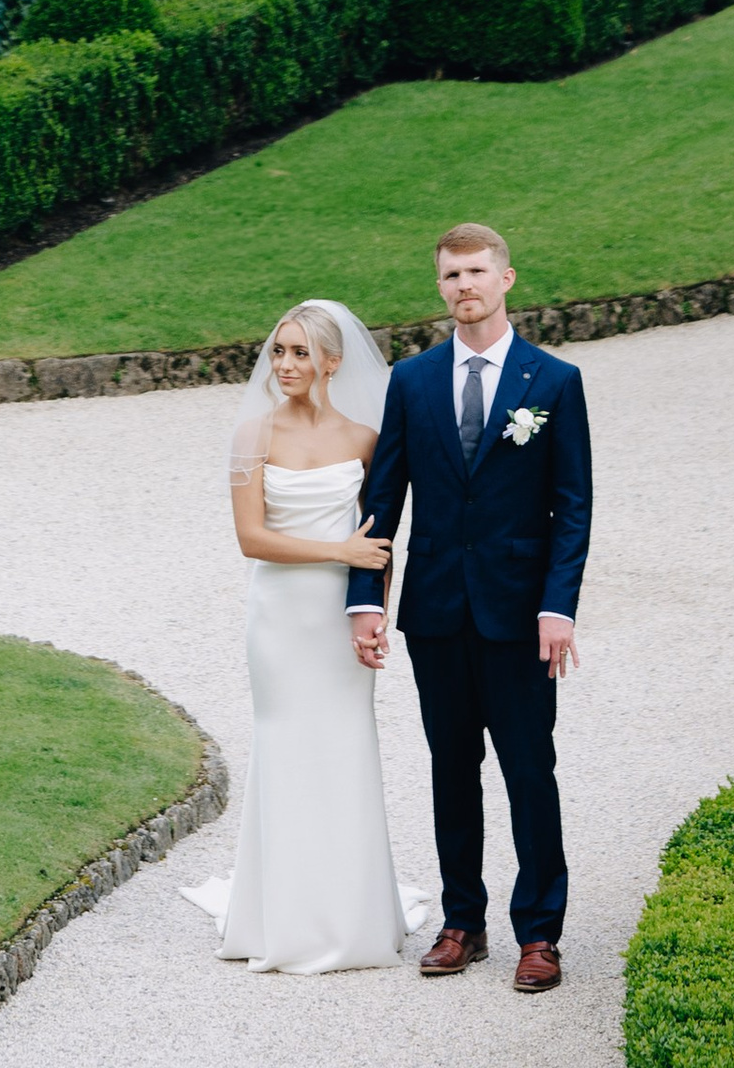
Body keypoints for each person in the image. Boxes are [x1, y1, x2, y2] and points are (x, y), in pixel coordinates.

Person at [345, 220, 592, 997]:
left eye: (477, 273)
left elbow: (573, 506)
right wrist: (365, 602)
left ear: (507, 278)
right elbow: (380, 501)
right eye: (451, 276)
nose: (464, 287)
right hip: (439, 613)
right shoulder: (413, 382)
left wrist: (559, 608)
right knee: (452, 770)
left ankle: (540, 933)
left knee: (529, 772)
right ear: (441, 285)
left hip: (521, 618)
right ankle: (463, 922)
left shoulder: (552, 382)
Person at [182, 299, 423, 972]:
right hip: (281, 616)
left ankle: (353, 913)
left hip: (339, 619)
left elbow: (380, 545)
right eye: (280, 351)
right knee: (286, 746)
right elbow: (249, 538)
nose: (284, 364)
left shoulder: (364, 440)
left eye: (299, 353)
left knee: (345, 747)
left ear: (333, 362)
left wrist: (374, 614)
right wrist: (335, 554)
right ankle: (279, 918)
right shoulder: (253, 435)